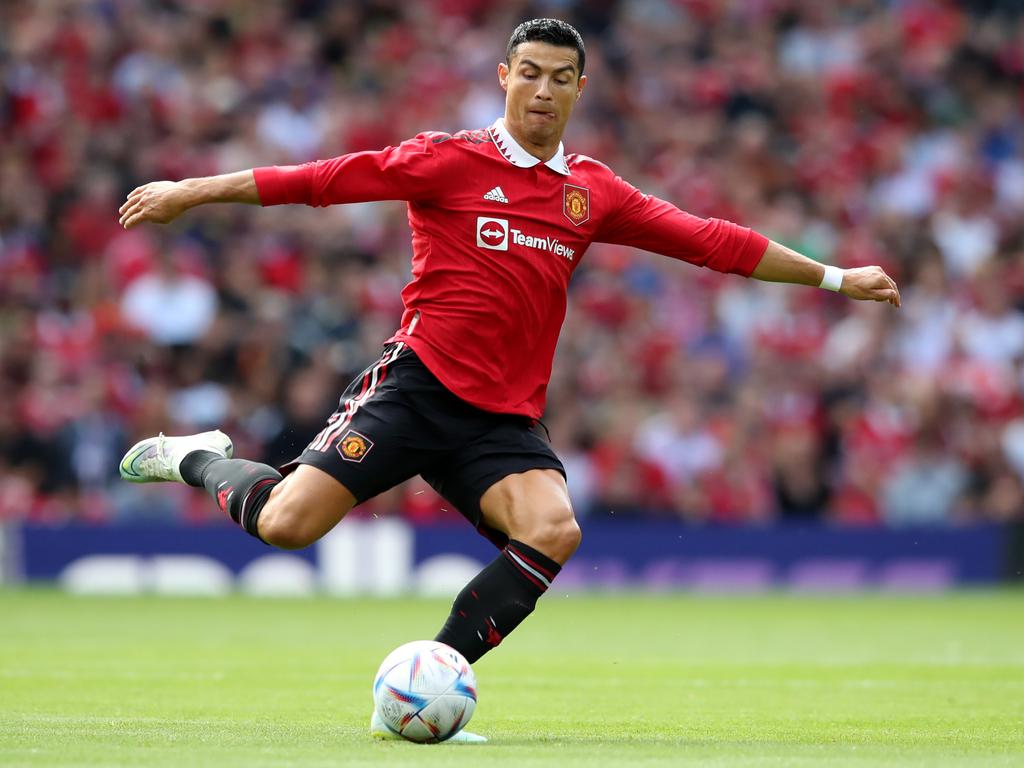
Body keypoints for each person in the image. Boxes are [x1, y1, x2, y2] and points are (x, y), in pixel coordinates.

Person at [117, 18, 900, 741]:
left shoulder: (593, 193)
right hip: (416, 389)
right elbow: (320, 180)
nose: (544, 90)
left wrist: (836, 278)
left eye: (562, 77)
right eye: (529, 73)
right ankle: (191, 457)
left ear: (580, 89)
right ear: (503, 77)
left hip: (500, 420)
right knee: (287, 525)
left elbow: (712, 241)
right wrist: (192, 190)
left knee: (554, 530)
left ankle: (429, 686)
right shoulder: (446, 160)